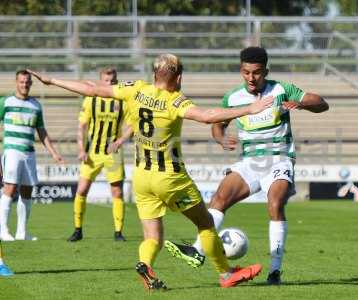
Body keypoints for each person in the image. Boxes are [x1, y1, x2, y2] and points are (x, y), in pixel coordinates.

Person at [27, 53, 274, 289]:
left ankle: (145, 265)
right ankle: (226, 273)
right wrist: (248, 109)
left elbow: (92, 88)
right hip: (170, 178)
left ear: (155, 74)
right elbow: (208, 116)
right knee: (206, 223)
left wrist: (52, 80)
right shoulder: (175, 101)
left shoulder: (135, 89)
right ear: (178, 78)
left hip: (142, 177)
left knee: (153, 236)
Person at [164, 47, 329, 285]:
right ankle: (197, 251)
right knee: (219, 197)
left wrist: (301, 104)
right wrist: (220, 138)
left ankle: (275, 270)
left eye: (257, 73)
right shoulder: (233, 97)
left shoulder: (281, 90)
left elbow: (321, 103)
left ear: (266, 71)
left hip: (279, 159)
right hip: (250, 162)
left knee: (275, 204)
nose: (251, 78)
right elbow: (218, 125)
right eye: (246, 72)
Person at [67, 68, 133, 242]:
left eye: (113, 81)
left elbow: (133, 125)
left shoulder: (122, 100)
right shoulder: (91, 100)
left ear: (116, 80)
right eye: (106, 81)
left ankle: (118, 232)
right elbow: (81, 126)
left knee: (117, 192)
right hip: (93, 152)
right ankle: (77, 230)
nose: (110, 84)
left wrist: (120, 141)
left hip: (113, 153)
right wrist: (81, 149)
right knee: (81, 190)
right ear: (100, 81)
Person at [0, 70, 64, 242]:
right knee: (10, 188)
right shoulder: (5, 102)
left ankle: (22, 232)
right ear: (16, 82)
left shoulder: (36, 105)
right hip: (12, 151)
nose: (25, 84)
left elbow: (41, 131)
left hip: (29, 152)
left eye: (27, 82)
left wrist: (54, 153)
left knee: (27, 192)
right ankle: (3, 230)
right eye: (22, 81)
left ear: (31, 83)